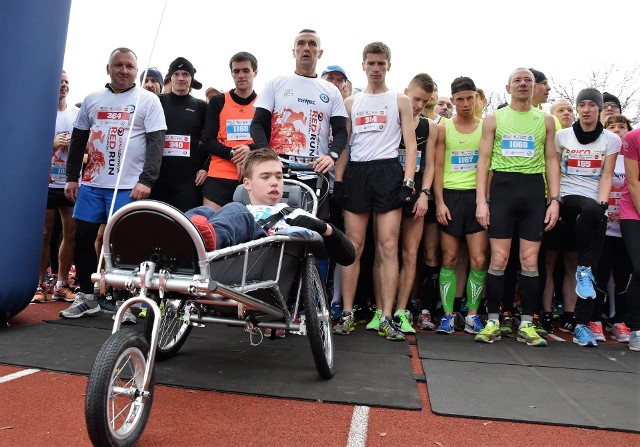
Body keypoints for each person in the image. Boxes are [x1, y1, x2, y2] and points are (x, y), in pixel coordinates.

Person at [60, 47, 167, 319]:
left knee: (124, 244)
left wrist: (147, 180)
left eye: (130, 66)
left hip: (128, 186)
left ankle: (125, 300)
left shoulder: (149, 100)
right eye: (118, 65)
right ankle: (86, 295)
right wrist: (72, 177)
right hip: (92, 184)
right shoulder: (93, 99)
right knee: (82, 238)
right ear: (108, 68)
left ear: (136, 70)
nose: (123, 70)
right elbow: (78, 141)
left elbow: (157, 144)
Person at [333, 41, 417, 341]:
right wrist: (339, 182)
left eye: (382, 63)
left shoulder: (400, 100)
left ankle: (386, 316)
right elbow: (344, 147)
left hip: (388, 173)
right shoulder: (351, 104)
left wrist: (408, 182)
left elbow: (410, 144)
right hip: (357, 173)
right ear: (364, 65)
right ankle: (346, 312)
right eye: (371, 63)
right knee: (353, 246)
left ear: (389, 66)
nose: (376, 68)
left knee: (387, 246)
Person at [474, 68, 560, 347]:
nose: (523, 84)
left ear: (535, 88)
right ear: (508, 87)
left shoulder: (547, 120)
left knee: (530, 262)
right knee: (498, 260)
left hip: (534, 192)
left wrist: (555, 200)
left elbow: (551, 161)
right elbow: (483, 160)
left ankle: (527, 324)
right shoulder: (493, 118)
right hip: (503, 190)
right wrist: (481, 201)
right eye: (517, 80)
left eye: (528, 81)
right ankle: (492, 321)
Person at [186, 148, 354, 265]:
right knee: (205, 211)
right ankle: (181, 235)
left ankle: (202, 240)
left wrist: (324, 228)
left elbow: (348, 257)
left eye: (279, 177)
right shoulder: (233, 213)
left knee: (236, 210)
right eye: (265, 177)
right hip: (220, 264)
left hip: (261, 266)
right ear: (247, 184)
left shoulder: (294, 214)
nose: (275, 183)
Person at [250, 29, 348, 220]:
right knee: (272, 225)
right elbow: (256, 125)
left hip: (315, 173)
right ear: (293, 50)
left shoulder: (331, 91)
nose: (306, 48)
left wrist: (332, 156)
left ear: (320, 53)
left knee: (312, 233)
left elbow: (340, 131)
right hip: (279, 170)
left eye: (312, 44)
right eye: (301, 43)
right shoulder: (276, 83)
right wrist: (268, 156)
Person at [555, 88, 620, 347]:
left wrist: (603, 204)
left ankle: (582, 326)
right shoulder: (562, 136)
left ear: (600, 108)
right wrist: (554, 201)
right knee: (589, 211)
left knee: (589, 270)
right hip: (567, 200)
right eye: (581, 104)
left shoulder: (611, 140)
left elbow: (607, 175)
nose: (585, 109)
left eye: (592, 104)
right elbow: (554, 171)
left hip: (594, 206)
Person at [434, 77, 488, 335]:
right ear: (453, 100)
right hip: (451, 196)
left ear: (476, 98)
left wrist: (484, 201)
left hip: (476, 198)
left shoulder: (486, 126)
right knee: (449, 258)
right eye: (459, 99)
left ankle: (472, 316)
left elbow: (488, 166)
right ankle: (447, 316)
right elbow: (437, 166)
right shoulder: (444, 127)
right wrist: (440, 202)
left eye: (469, 98)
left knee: (478, 259)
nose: (465, 104)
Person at [393, 73, 436, 334]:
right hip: (388, 191)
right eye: (416, 98)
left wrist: (425, 194)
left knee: (411, 254)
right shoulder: (390, 119)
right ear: (406, 91)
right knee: (385, 252)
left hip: (416, 193)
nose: (418, 105)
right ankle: (382, 307)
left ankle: (402, 309)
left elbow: (430, 166)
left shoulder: (430, 127)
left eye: (425, 101)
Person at [32, 71, 80, 304]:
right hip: (45, 182)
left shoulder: (76, 114)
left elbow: (88, 148)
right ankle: (39, 283)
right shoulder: (40, 115)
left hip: (68, 182)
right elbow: (29, 149)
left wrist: (80, 151)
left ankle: (61, 283)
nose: (63, 86)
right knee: (43, 234)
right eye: (59, 82)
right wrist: (52, 144)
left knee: (70, 233)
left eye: (66, 83)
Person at [591, 114, 633, 343]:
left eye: (622, 126)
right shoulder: (605, 156)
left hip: (626, 227)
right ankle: (595, 319)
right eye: (612, 126)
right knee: (600, 274)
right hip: (605, 227)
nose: (617, 130)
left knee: (622, 277)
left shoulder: (633, 157)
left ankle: (619, 321)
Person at [202, 52, 259, 210]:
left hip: (252, 177)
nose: (240, 75)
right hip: (219, 176)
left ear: (255, 72)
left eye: (246, 70)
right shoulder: (218, 101)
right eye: (236, 71)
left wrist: (249, 151)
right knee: (211, 228)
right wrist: (234, 154)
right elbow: (208, 141)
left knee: (252, 232)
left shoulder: (263, 103)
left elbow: (267, 143)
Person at [150, 57, 207, 212]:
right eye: (176, 74)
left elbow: (209, 139)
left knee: (184, 226)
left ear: (191, 79)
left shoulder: (201, 106)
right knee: (156, 225)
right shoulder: (157, 101)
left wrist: (205, 167)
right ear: (170, 77)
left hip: (188, 181)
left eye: (185, 74)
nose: (181, 78)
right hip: (158, 178)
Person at [619, 125, 640, 351]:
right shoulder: (634, 137)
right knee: (639, 269)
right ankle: (637, 329)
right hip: (634, 209)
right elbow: (633, 183)